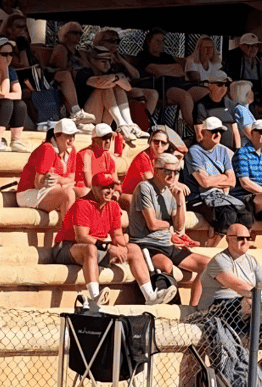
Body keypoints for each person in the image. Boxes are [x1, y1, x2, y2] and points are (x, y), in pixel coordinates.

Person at [52, 171, 178, 308]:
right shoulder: (82, 204)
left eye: (112, 187)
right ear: (94, 188)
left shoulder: (112, 206)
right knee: (90, 248)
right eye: (105, 187)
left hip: (96, 248)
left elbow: (117, 236)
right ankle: (95, 296)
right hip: (66, 248)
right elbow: (81, 237)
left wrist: (123, 249)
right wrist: (109, 247)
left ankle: (150, 296)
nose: (110, 191)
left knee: (134, 249)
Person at [129, 153, 208, 305]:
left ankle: (193, 308)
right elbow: (152, 224)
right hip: (148, 244)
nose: (173, 175)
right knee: (166, 265)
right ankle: (173, 304)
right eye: (168, 171)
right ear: (156, 170)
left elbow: (179, 228)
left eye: (176, 172)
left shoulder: (172, 190)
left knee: (209, 265)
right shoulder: (144, 187)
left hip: (168, 243)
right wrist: (169, 224)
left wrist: (179, 201)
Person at [184, 116, 252, 240]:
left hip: (221, 197)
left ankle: (237, 248)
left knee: (246, 217)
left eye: (220, 131)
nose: (217, 134)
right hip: (198, 199)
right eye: (214, 131)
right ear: (203, 133)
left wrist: (213, 180)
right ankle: (213, 249)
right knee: (228, 216)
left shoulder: (222, 151)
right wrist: (223, 177)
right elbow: (204, 182)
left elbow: (232, 181)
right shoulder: (194, 152)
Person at [16, 118, 84, 222]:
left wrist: (59, 180)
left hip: (50, 190)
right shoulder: (47, 149)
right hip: (29, 193)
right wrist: (60, 183)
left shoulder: (72, 150)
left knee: (85, 192)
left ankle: (86, 233)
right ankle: (68, 235)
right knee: (68, 194)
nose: (72, 139)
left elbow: (71, 178)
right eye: (68, 135)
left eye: (73, 135)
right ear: (57, 135)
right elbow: (38, 184)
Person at [75, 46, 144, 145]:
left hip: (105, 120)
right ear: (92, 60)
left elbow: (128, 88)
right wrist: (116, 78)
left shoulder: (111, 74)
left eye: (109, 61)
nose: (107, 65)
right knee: (106, 88)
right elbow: (98, 83)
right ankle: (121, 124)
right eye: (103, 61)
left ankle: (129, 124)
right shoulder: (84, 73)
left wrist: (114, 78)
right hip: (90, 118)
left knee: (119, 88)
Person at [120, 126, 193, 216]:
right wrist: (176, 184)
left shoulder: (163, 159)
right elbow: (150, 181)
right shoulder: (143, 157)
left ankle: (179, 227)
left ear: (166, 146)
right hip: (130, 194)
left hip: (147, 195)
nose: (159, 145)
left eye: (163, 143)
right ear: (150, 142)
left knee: (177, 194)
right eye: (156, 141)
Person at [135, 27, 197, 133]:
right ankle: (196, 130)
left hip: (179, 85)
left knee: (205, 91)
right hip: (163, 88)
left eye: (162, 41)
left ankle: (208, 123)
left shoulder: (165, 56)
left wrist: (163, 69)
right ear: (149, 41)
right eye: (157, 40)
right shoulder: (143, 56)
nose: (161, 43)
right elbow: (153, 69)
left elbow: (180, 70)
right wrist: (169, 69)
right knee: (185, 96)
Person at [93, 29, 159, 120]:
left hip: (126, 86)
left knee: (153, 94)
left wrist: (120, 59)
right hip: (111, 88)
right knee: (139, 93)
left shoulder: (119, 57)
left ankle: (145, 121)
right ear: (101, 42)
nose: (115, 44)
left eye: (117, 41)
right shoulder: (96, 56)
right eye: (112, 41)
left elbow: (136, 75)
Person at [198, 223, 262, 315]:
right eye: (240, 238)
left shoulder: (252, 260)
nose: (245, 242)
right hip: (216, 307)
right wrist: (258, 296)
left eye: (248, 238)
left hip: (241, 304)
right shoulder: (220, 260)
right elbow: (239, 286)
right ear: (228, 239)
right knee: (249, 300)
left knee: (250, 300)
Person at [47, 21, 96, 126]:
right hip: (72, 91)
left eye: (80, 33)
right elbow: (62, 71)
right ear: (65, 34)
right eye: (75, 32)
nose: (78, 36)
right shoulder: (61, 49)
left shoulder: (82, 53)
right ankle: (76, 112)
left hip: (87, 89)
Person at [193, 72, 240, 150]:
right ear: (210, 86)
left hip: (230, 151)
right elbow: (199, 135)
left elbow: (235, 130)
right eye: (219, 85)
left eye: (226, 84)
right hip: (211, 151)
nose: (223, 88)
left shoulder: (230, 104)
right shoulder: (201, 105)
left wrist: (238, 150)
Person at [233, 118, 262, 219]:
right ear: (252, 133)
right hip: (246, 195)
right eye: (260, 132)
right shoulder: (242, 153)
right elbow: (245, 183)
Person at [224, 32, 261, 109]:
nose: (254, 48)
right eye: (249, 46)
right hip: (240, 90)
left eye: (255, 46)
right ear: (241, 46)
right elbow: (231, 77)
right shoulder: (233, 57)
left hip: (256, 92)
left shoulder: (260, 60)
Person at [76, 124, 117, 190]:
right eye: (104, 137)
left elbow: (115, 181)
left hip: (103, 190)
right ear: (94, 140)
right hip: (87, 191)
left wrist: (117, 191)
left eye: (110, 137)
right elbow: (89, 184)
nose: (108, 141)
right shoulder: (85, 154)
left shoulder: (109, 155)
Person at [229, 80, 255, 146]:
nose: (252, 93)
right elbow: (250, 134)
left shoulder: (244, 109)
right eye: (248, 91)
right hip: (248, 149)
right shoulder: (240, 109)